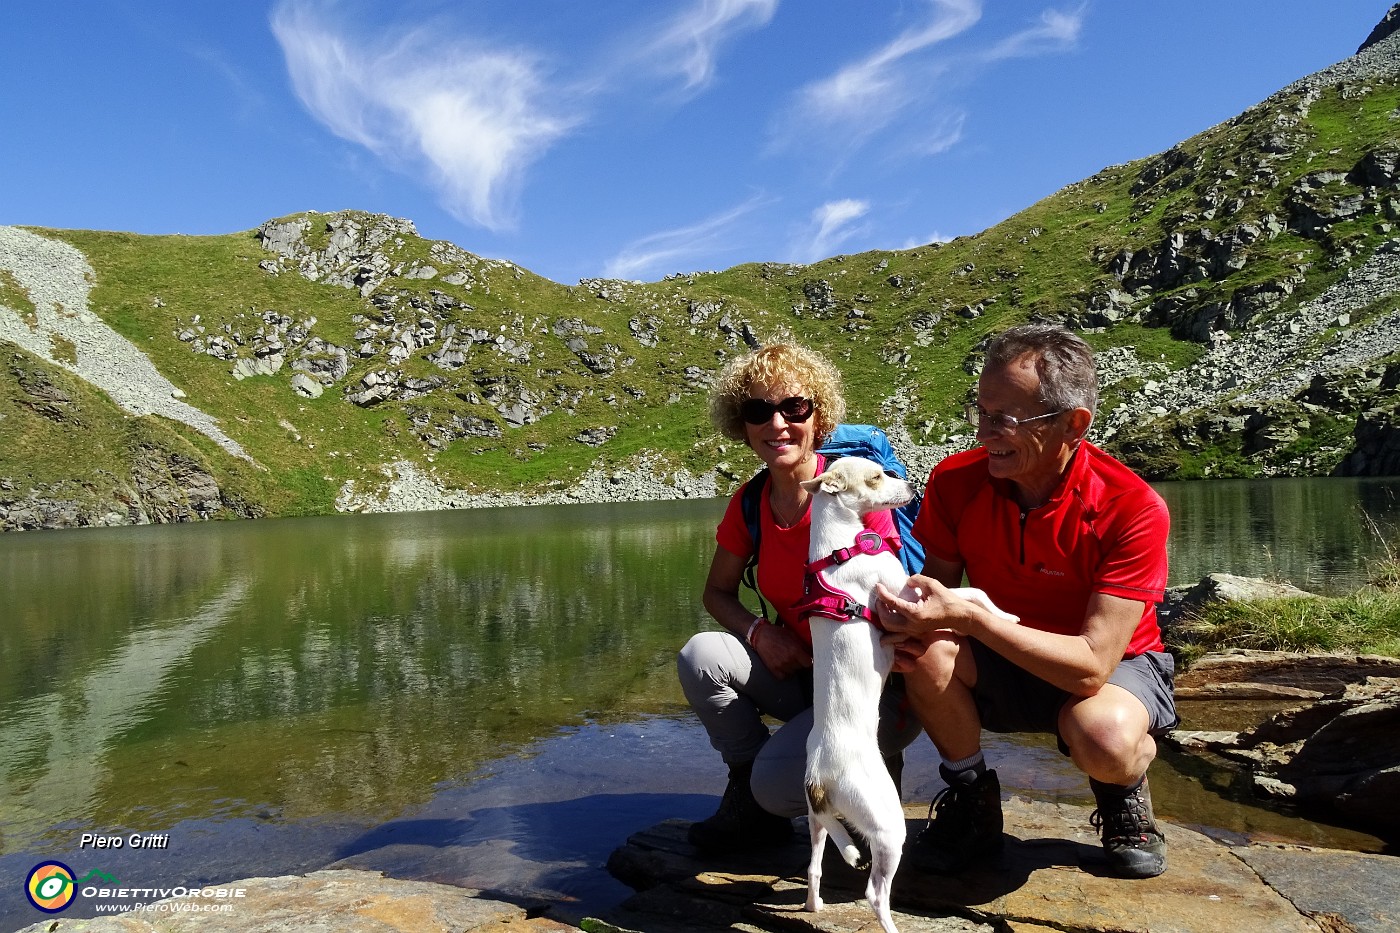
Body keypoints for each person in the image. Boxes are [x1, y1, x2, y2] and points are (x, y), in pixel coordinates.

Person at [875, 323, 1177, 879]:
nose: (986, 432)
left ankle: (1122, 791)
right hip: (1001, 653)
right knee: (924, 651)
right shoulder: (954, 481)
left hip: (1114, 666)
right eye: (981, 413)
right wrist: (908, 613)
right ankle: (973, 800)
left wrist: (971, 617)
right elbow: (936, 595)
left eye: (1005, 419)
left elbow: (1090, 667)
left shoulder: (1131, 507)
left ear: (1073, 424)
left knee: (1103, 735)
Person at [678, 342, 922, 853]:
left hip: (867, 689)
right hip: (804, 677)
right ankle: (747, 794)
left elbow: (892, 601)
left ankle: (868, 772)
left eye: (794, 407)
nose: (777, 424)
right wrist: (758, 633)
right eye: (757, 410)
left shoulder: (858, 488)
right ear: (741, 425)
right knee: (701, 657)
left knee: (779, 787)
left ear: (818, 414)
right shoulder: (750, 502)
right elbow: (716, 593)